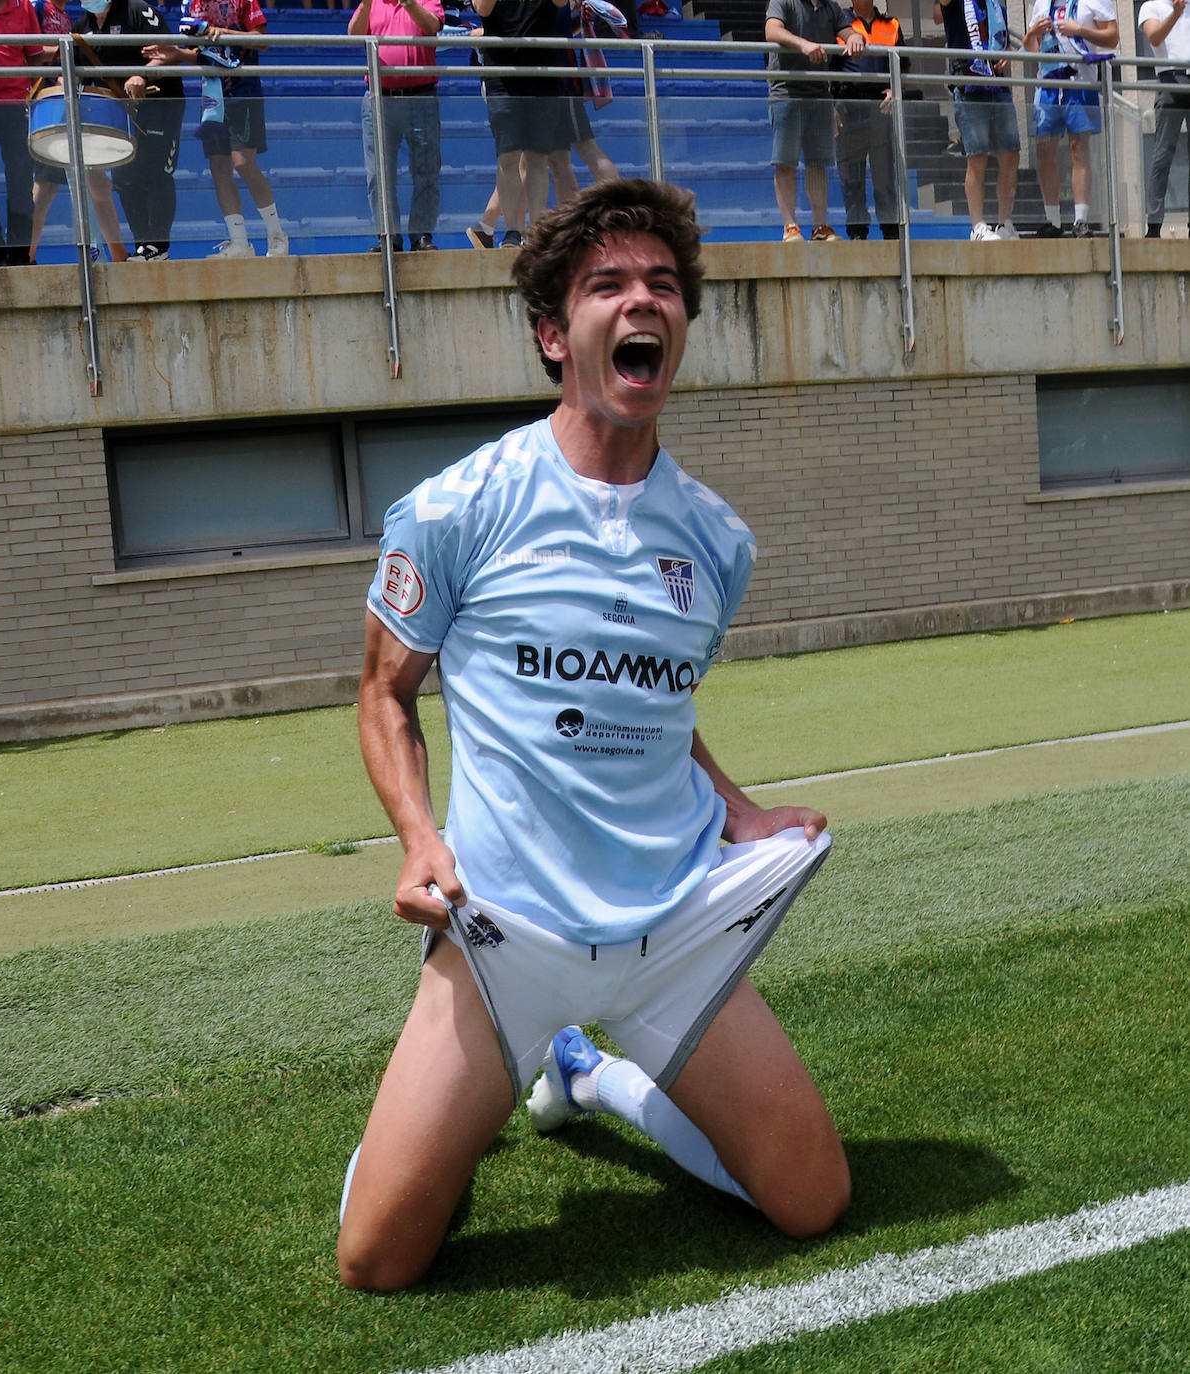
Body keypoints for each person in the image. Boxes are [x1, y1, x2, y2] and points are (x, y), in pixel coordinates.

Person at [336, 177, 850, 1293]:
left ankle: (594, 1079)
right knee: (378, 1260)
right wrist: (420, 843)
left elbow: (658, 706)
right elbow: (385, 694)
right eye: (607, 285)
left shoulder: (717, 541)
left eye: (662, 285)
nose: (642, 302)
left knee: (815, 1204)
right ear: (553, 335)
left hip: (671, 927)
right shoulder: (458, 507)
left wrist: (743, 812)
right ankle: (450, 1122)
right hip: (504, 930)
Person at [146, 0, 289, 259]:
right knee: (219, 167)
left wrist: (224, 33)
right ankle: (240, 243)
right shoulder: (189, 5)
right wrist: (176, 54)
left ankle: (276, 234)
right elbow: (200, 54)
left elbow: (263, 40)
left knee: (244, 163)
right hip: (212, 94)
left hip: (243, 91)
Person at [75, 0, 185, 262]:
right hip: (119, 111)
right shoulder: (83, 26)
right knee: (125, 177)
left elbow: (169, 53)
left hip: (160, 103)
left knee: (155, 172)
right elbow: (76, 69)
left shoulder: (138, 10)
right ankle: (143, 245)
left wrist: (141, 75)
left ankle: (158, 246)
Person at [27, 0, 130, 263]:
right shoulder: (37, 7)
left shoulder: (68, 18)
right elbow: (31, 52)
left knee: (96, 181)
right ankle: (25, 255)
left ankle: (117, 256)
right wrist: (65, 52)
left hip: (73, 103)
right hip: (49, 107)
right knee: (46, 186)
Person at [471, 0, 571, 250]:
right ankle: (512, 232)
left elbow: (561, 3)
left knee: (537, 159)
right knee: (508, 157)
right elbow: (483, 8)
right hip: (502, 77)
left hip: (543, 73)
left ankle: (536, 232)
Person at [347, 0, 443, 253]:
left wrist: (409, 3)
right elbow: (353, 35)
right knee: (379, 175)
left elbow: (432, 26)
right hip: (379, 96)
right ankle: (388, 236)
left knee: (426, 170)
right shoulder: (371, 2)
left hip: (421, 96)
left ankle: (421, 235)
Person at [766, 0, 866, 242]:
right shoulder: (783, 1)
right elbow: (772, 31)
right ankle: (790, 226)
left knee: (818, 163)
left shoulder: (831, 7)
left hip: (820, 93)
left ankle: (820, 227)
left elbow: (849, 30)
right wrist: (803, 45)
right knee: (785, 161)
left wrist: (854, 37)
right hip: (786, 90)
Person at [1022, 0, 1117, 238]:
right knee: (1043, 151)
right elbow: (1031, 49)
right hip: (1047, 85)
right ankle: (1053, 221)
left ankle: (1081, 221)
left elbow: (1113, 36)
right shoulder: (1041, 4)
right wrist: (1032, 33)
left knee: (1079, 149)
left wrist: (1080, 31)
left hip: (1081, 83)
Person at [937, 0, 1020, 240]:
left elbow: (1002, 42)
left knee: (1010, 154)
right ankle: (978, 227)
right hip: (970, 86)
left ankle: (1005, 223)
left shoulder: (996, 6)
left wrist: (1006, 54)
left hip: (999, 85)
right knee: (977, 157)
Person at [0, 0, 43, 266]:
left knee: (21, 185)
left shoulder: (24, 6)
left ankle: (20, 256)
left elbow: (35, 55)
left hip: (16, 109)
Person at [834, 0, 906, 240]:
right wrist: (831, 104)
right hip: (848, 107)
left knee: (884, 179)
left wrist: (895, 90)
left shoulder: (892, 24)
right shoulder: (839, 24)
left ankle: (891, 236)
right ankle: (857, 236)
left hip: (881, 110)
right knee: (851, 179)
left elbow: (903, 68)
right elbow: (828, 68)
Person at [1139, 0, 1190, 238]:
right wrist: (1176, 13)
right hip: (1170, 80)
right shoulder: (1151, 6)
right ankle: (1154, 225)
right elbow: (1155, 38)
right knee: (1162, 155)